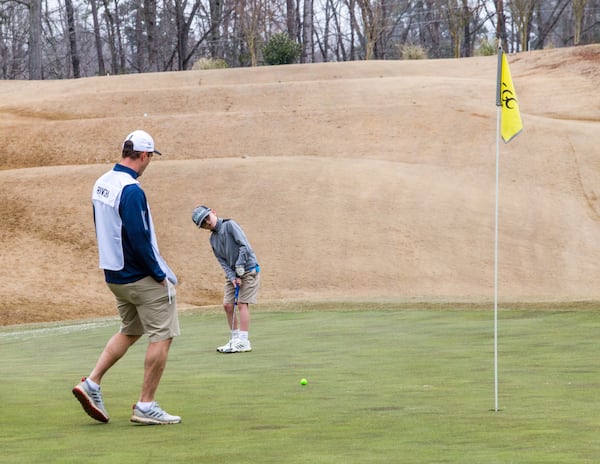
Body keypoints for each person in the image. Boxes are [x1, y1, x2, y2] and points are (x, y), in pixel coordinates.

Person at [72, 130, 181, 425]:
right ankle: (146, 405)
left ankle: (91, 383)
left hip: (115, 275)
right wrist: (159, 274)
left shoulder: (102, 182)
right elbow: (138, 236)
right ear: (144, 155)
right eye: (149, 158)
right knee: (163, 335)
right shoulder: (131, 189)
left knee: (131, 330)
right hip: (140, 276)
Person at [191, 205, 260, 353]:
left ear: (213, 212)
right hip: (234, 273)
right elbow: (221, 260)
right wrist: (232, 276)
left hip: (248, 269)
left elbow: (244, 246)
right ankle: (235, 339)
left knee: (241, 303)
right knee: (228, 305)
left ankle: (244, 341)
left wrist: (240, 265)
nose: (207, 223)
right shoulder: (213, 239)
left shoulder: (230, 225)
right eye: (203, 223)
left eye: (207, 218)